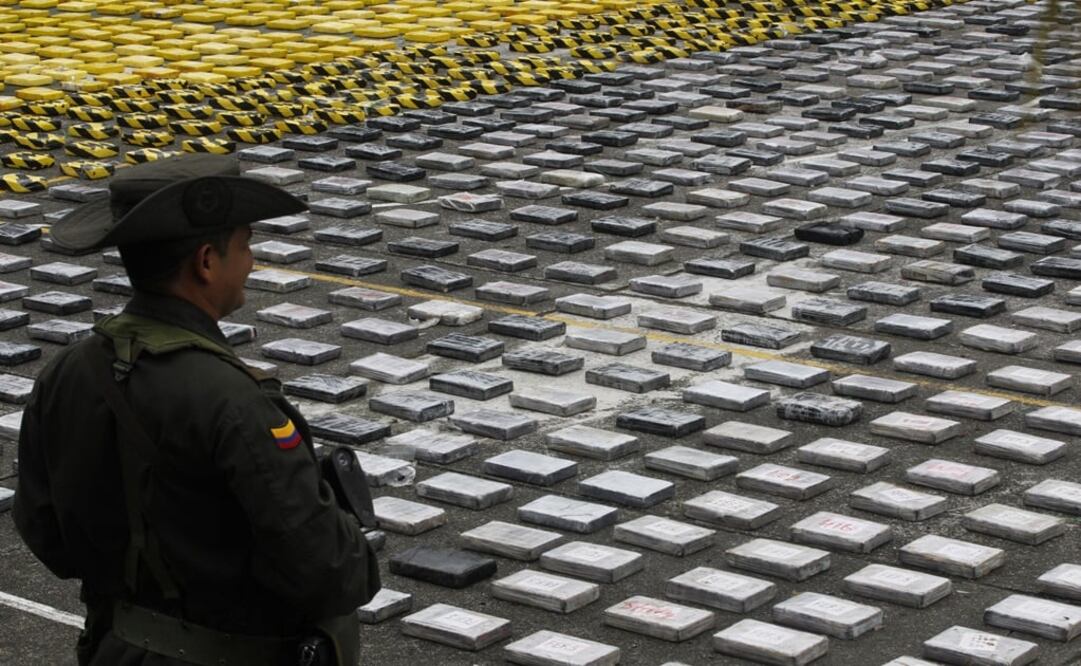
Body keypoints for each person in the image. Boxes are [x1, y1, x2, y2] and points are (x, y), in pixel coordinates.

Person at [13, 154, 379, 666]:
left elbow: (44, 529)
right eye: (246, 245)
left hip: (115, 650)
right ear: (206, 261)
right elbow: (329, 571)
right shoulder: (236, 400)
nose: (251, 261)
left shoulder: (67, 370)